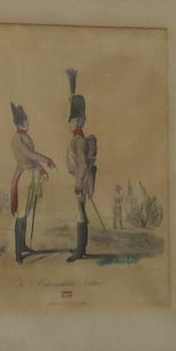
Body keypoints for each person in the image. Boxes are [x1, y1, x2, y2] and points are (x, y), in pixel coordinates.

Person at [8, 102, 55, 264]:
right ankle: (18, 252)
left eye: (26, 119)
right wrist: (47, 160)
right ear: (18, 123)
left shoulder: (27, 137)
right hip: (23, 178)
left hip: (31, 176)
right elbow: (29, 155)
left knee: (26, 213)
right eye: (24, 120)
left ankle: (23, 245)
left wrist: (42, 170)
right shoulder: (17, 139)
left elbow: (32, 159)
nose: (27, 122)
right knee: (21, 215)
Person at [65, 70, 98, 263]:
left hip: (82, 180)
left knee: (80, 212)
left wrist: (78, 184)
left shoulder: (77, 140)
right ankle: (81, 248)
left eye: (72, 120)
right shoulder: (79, 137)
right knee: (81, 211)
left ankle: (80, 250)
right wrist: (71, 93)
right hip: (83, 179)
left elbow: (83, 165)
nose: (69, 123)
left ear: (77, 122)